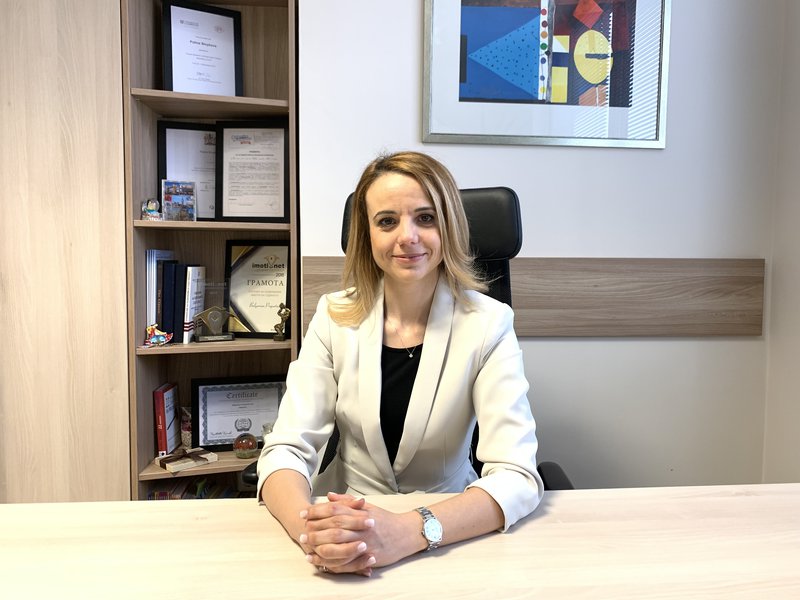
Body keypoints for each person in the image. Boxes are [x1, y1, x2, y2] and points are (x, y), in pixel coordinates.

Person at [257, 150, 543, 576]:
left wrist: (409, 530)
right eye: (387, 221)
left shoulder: (489, 323)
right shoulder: (333, 316)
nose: (407, 236)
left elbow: (517, 475)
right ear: (367, 235)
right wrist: (315, 533)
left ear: (449, 226)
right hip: (345, 522)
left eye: (425, 218)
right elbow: (286, 448)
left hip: (450, 533)